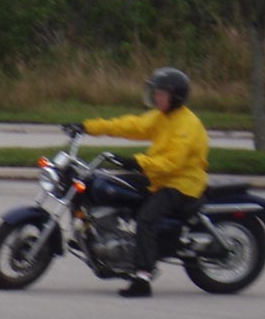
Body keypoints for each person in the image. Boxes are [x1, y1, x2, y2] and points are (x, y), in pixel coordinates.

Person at [67, 67, 209, 298]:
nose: (156, 97)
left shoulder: (187, 125)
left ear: (176, 97)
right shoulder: (162, 117)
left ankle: (142, 278)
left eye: (161, 94)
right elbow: (130, 125)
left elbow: (172, 162)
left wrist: (137, 162)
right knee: (105, 183)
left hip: (181, 184)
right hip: (158, 178)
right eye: (156, 92)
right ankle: (95, 237)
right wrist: (87, 127)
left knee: (146, 219)